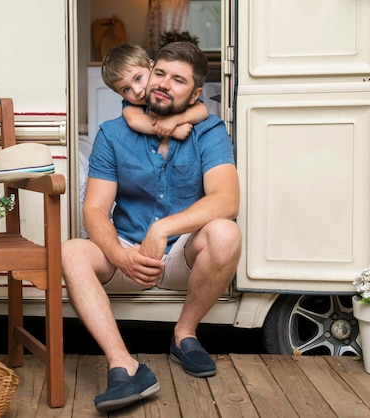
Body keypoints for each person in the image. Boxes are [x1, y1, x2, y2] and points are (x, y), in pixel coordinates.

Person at [62, 41, 241, 412]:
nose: (161, 84)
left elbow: (226, 200)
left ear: (194, 94)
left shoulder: (209, 130)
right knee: (70, 251)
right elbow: (94, 209)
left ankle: (184, 334)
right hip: (128, 251)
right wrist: (118, 254)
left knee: (226, 232)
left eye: (177, 80)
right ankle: (124, 366)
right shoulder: (113, 133)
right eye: (160, 73)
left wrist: (161, 229)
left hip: (180, 255)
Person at [101, 43, 208, 140]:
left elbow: (202, 110)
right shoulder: (130, 106)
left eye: (138, 78)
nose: (137, 91)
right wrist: (173, 131)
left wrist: (175, 120)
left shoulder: (173, 94)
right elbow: (134, 121)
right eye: (126, 89)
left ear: (151, 66)